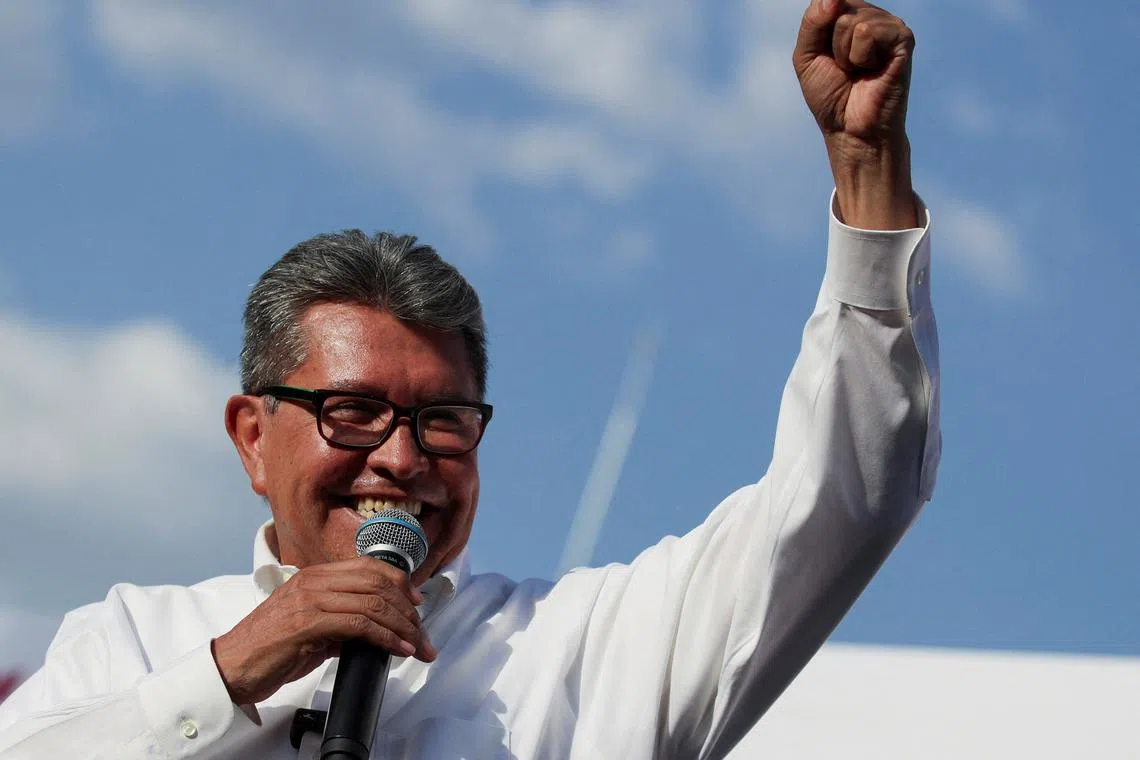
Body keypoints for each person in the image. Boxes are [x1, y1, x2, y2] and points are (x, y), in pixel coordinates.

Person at [0, 0, 940, 757]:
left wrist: (868, 173)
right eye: (353, 411)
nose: (402, 459)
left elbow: (846, 499)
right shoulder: (134, 639)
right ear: (252, 436)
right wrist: (234, 669)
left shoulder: (576, 651)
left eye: (442, 418)